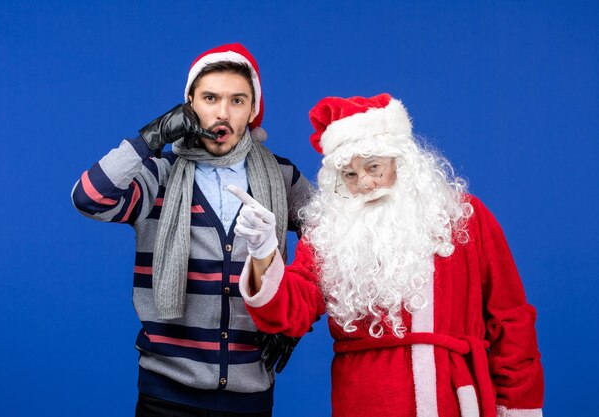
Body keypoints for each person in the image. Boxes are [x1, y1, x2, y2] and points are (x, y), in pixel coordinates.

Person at [229, 93, 544, 417]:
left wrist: (518, 407)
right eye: (349, 174)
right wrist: (264, 251)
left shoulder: (464, 217)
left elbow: (511, 320)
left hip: (454, 401)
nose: (364, 182)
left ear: (402, 161)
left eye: (374, 166)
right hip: (366, 402)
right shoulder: (331, 232)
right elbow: (294, 308)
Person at [71, 43, 313, 416]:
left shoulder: (281, 177)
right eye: (210, 98)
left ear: (252, 109)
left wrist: (295, 316)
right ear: (189, 105)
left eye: (237, 100)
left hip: (251, 395)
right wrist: (151, 138)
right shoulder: (159, 175)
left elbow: (335, 243)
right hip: (167, 393)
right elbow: (90, 197)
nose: (222, 113)